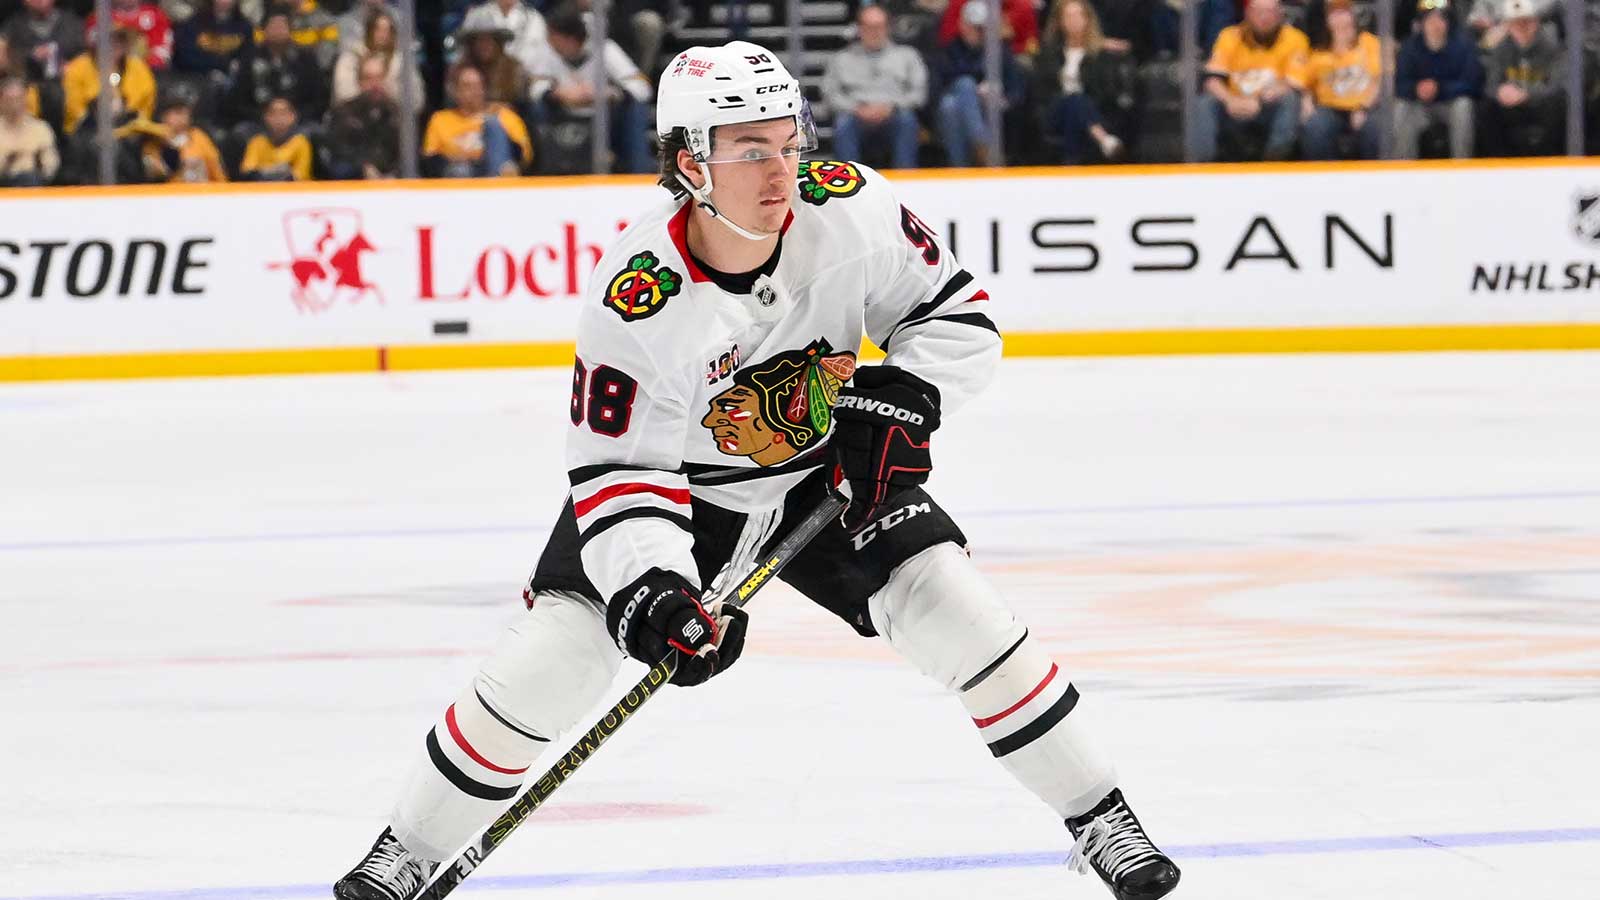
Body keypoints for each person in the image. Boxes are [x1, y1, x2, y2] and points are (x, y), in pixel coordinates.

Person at [331, 39, 1181, 900]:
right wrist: (656, 591)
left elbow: (954, 318)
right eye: (750, 151)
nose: (782, 173)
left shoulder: (851, 208)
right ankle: (407, 850)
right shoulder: (638, 296)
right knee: (554, 663)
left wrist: (908, 396)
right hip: (680, 496)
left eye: (788, 142)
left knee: (960, 613)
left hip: (828, 473)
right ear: (690, 164)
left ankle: (1101, 817)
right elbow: (619, 468)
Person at [526, 3, 652, 173]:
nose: (550, 40)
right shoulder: (549, 51)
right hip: (562, 112)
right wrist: (557, 93)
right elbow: (535, 87)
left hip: (604, 116)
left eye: (554, 37)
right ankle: (542, 168)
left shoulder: (605, 50)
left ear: (570, 39)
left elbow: (642, 88)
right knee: (536, 108)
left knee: (636, 109)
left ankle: (638, 170)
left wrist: (609, 93)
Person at [1193, 0, 1308, 161]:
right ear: (1247, 14)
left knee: (1289, 100)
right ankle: (1203, 166)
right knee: (1205, 103)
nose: (1264, 17)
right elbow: (1212, 80)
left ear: (1280, 14)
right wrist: (1230, 100)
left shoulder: (1295, 38)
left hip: (1267, 107)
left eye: (1270, 11)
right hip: (1232, 105)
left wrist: (1257, 100)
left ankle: (1274, 162)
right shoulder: (1229, 36)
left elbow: (1294, 83)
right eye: (1258, 11)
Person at [822, 4, 927, 169]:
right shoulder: (841, 59)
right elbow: (830, 94)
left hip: (894, 114)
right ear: (859, 29)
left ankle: (905, 176)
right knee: (843, 124)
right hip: (855, 116)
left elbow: (918, 93)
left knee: (907, 120)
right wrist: (856, 109)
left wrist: (891, 107)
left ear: (888, 28)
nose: (874, 32)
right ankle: (848, 177)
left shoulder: (907, 56)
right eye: (869, 27)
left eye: (879, 26)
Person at [1034, 0, 1135, 164]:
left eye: (1078, 15)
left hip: (1090, 109)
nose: (1074, 21)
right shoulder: (1049, 53)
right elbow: (1043, 91)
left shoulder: (1100, 54)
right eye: (1068, 16)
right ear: (1060, 21)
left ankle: (1071, 164)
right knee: (1073, 100)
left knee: (1075, 108)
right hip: (1055, 111)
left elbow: (1105, 92)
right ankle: (1104, 139)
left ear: (1088, 19)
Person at [930, 0, 1026, 167]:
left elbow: (1016, 90)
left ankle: (961, 167)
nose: (978, 32)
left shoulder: (1000, 52)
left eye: (982, 28)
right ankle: (982, 146)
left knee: (952, 104)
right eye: (974, 27)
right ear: (962, 25)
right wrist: (976, 91)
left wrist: (999, 96)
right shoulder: (948, 52)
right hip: (952, 117)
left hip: (992, 112)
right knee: (958, 93)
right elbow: (936, 91)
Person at [1395, 0, 1482, 159]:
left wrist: (1440, 88)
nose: (1435, 24)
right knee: (1401, 108)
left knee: (1464, 105)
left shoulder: (1463, 45)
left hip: (1450, 104)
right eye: (1430, 19)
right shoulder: (1409, 47)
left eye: (1441, 18)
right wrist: (1416, 89)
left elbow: (1472, 83)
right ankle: (1404, 167)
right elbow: (1399, 84)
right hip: (1419, 106)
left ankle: (1462, 165)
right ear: (1421, 24)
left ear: (1448, 22)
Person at [1480, 0, 1564, 156]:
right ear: (1509, 26)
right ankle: (1499, 160)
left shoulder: (1551, 49)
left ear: (1536, 23)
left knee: (1557, 105)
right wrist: (1500, 92)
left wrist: (1527, 95)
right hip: (1511, 108)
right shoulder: (1501, 49)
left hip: (1539, 106)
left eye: (1526, 22)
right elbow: (1490, 85)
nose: (1521, 28)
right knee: (1487, 108)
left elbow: (1556, 87)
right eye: (1516, 23)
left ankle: (1551, 159)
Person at [1299, 0, 1380, 159]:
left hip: (1366, 106)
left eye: (1344, 13)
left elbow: (1380, 81)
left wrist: (1363, 108)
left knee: (1374, 128)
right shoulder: (1319, 51)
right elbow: (1306, 83)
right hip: (1330, 108)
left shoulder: (1369, 43)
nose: (1340, 19)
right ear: (1327, 20)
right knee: (1315, 126)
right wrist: (1306, 102)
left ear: (1353, 17)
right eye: (1335, 14)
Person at [421, 64, 531, 177]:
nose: (475, 91)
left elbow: (524, 156)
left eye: (479, 85)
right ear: (455, 91)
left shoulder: (504, 115)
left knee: (493, 125)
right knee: (461, 170)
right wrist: (458, 158)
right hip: (459, 172)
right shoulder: (440, 119)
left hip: (495, 169)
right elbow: (430, 159)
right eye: (467, 86)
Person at [226, 6, 325, 125]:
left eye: (282, 26)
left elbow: (319, 100)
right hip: (257, 121)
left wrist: (295, 116)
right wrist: (264, 117)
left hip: (299, 121)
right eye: (273, 26)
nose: (278, 31)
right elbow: (237, 101)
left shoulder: (307, 60)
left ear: (290, 30)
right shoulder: (248, 59)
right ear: (264, 30)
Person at [61, 25, 155, 133]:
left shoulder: (138, 68)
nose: (115, 45)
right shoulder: (78, 68)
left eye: (120, 40)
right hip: (87, 131)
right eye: (109, 40)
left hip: (130, 131)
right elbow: (74, 109)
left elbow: (146, 106)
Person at [326, 52, 399, 178]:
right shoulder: (343, 113)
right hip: (355, 181)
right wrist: (363, 167)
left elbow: (406, 155)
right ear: (359, 82)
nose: (375, 84)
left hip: (394, 182)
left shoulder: (397, 114)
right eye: (368, 78)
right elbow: (339, 153)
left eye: (379, 77)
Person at [330, 10, 421, 106]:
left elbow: (416, 98)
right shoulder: (350, 57)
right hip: (356, 111)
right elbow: (343, 93)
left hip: (393, 111)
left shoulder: (402, 62)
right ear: (369, 30)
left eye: (388, 30)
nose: (383, 34)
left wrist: (389, 92)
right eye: (378, 29)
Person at [140, 94, 226, 181]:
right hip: (171, 188)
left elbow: (217, 171)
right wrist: (167, 147)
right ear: (163, 116)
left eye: (186, 113)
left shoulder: (199, 136)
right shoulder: (154, 141)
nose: (183, 118)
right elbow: (154, 174)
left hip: (202, 188)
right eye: (177, 112)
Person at [448, 22, 528, 107]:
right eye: (480, 41)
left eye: (489, 41)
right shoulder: (459, 69)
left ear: (498, 43)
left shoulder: (513, 67)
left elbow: (521, 101)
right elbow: (452, 98)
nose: (484, 46)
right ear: (471, 44)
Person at [455, 0, 544, 74]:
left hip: (523, 79)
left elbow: (538, 59)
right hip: (479, 79)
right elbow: (463, 53)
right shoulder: (475, 15)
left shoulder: (534, 18)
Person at [2, 0, 83, 81]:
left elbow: (84, 53)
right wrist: (31, 55)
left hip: (69, 81)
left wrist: (74, 67)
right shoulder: (13, 27)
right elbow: (5, 57)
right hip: (27, 82)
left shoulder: (72, 23)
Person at [239, 92, 312, 179]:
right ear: (265, 116)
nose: (279, 118)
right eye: (273, 113)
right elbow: (247, 170)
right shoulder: (257, 141)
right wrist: (274, 171)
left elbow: (300, 174)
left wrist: (269, 172)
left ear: (293, 116)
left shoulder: (301, 142)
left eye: (283, 113)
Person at [83, 0, 173, 70]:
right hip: (107, 72)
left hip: (149, 72)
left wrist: (141, 67)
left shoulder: (156, 16)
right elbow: (94, 51)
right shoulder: (99, 18)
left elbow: (162, 51)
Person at [0, 73, 56, 185]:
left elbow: (50, 166)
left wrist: (40, 162)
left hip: (33, 185)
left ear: (25, 99)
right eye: (10, 99)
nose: (14, 104)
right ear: (1, 101)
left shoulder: (41, 128)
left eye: (18, 99)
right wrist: (7, 161)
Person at [172, 0, 251, 76]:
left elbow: (247, 55)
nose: (224, 1)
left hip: (230, 78)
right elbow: (185, 56)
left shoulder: (244, 26)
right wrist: (221, 64)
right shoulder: (194, 22)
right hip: (196, 77)